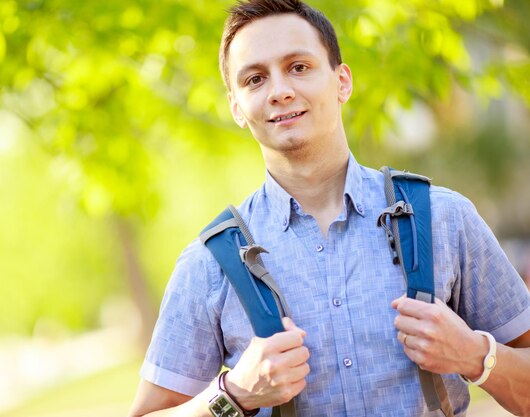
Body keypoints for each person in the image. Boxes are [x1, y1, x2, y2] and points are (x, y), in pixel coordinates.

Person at [128, 0, 530, 416]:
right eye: (254, 79)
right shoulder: (208, 266)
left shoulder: (445, 219)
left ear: (342, 82)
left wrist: (477, 355)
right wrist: (232, 395)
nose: (280, 91)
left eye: (298, 67)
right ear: (237, 108)